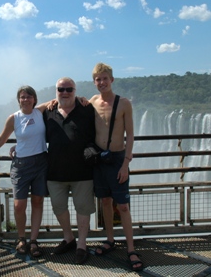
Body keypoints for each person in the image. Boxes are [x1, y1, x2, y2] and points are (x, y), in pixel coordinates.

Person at [0, 85, 48, 257]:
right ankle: (21, 238)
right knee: (19, 204)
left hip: (41, 163)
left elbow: (57, 100)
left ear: (34, 99)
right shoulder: (14, 118)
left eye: (29, 96)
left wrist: (82, 99)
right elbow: (2, 138)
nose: (26, 99)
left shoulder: (40, 112)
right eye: (22, 97)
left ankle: (34, 240)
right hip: (21, 165)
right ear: (18, 100)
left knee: (38, 202)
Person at [89, 62, 143, 271]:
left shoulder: (124, 103)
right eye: (98, 79)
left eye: (105, 78)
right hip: (99, 161)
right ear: (94, 82)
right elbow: (64, 103)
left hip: (118, 159)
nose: (102, 82)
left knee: (123, 206)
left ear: (111, 80)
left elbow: (130, 135)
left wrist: (126, 163)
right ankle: (110, 239)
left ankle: (131, 248)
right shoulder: (92, 102)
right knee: (104, 201)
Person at [44, 77, 96, 265]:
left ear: (75, 91)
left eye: (69, 89)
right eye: (61, 89)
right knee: (58, 206)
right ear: (56, 91)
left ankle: (82, 244)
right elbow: (29, 112)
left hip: (82, 171)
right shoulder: (48, 111)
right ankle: (68, 238)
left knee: (83, 208)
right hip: (55, 171)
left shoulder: (86, 109)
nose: (65, 92)